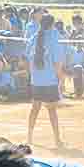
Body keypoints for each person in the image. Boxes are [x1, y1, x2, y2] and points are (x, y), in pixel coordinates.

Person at [26, 14, 65, 147]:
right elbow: (57, 62)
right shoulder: (54, 37)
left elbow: (27, 58)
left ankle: (29, 137)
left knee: (35, 108)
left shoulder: (34, 37)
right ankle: (57, 139)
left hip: (36, 79)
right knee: (52, 110)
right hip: (49, 79)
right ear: (52, 24)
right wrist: (61, 78)